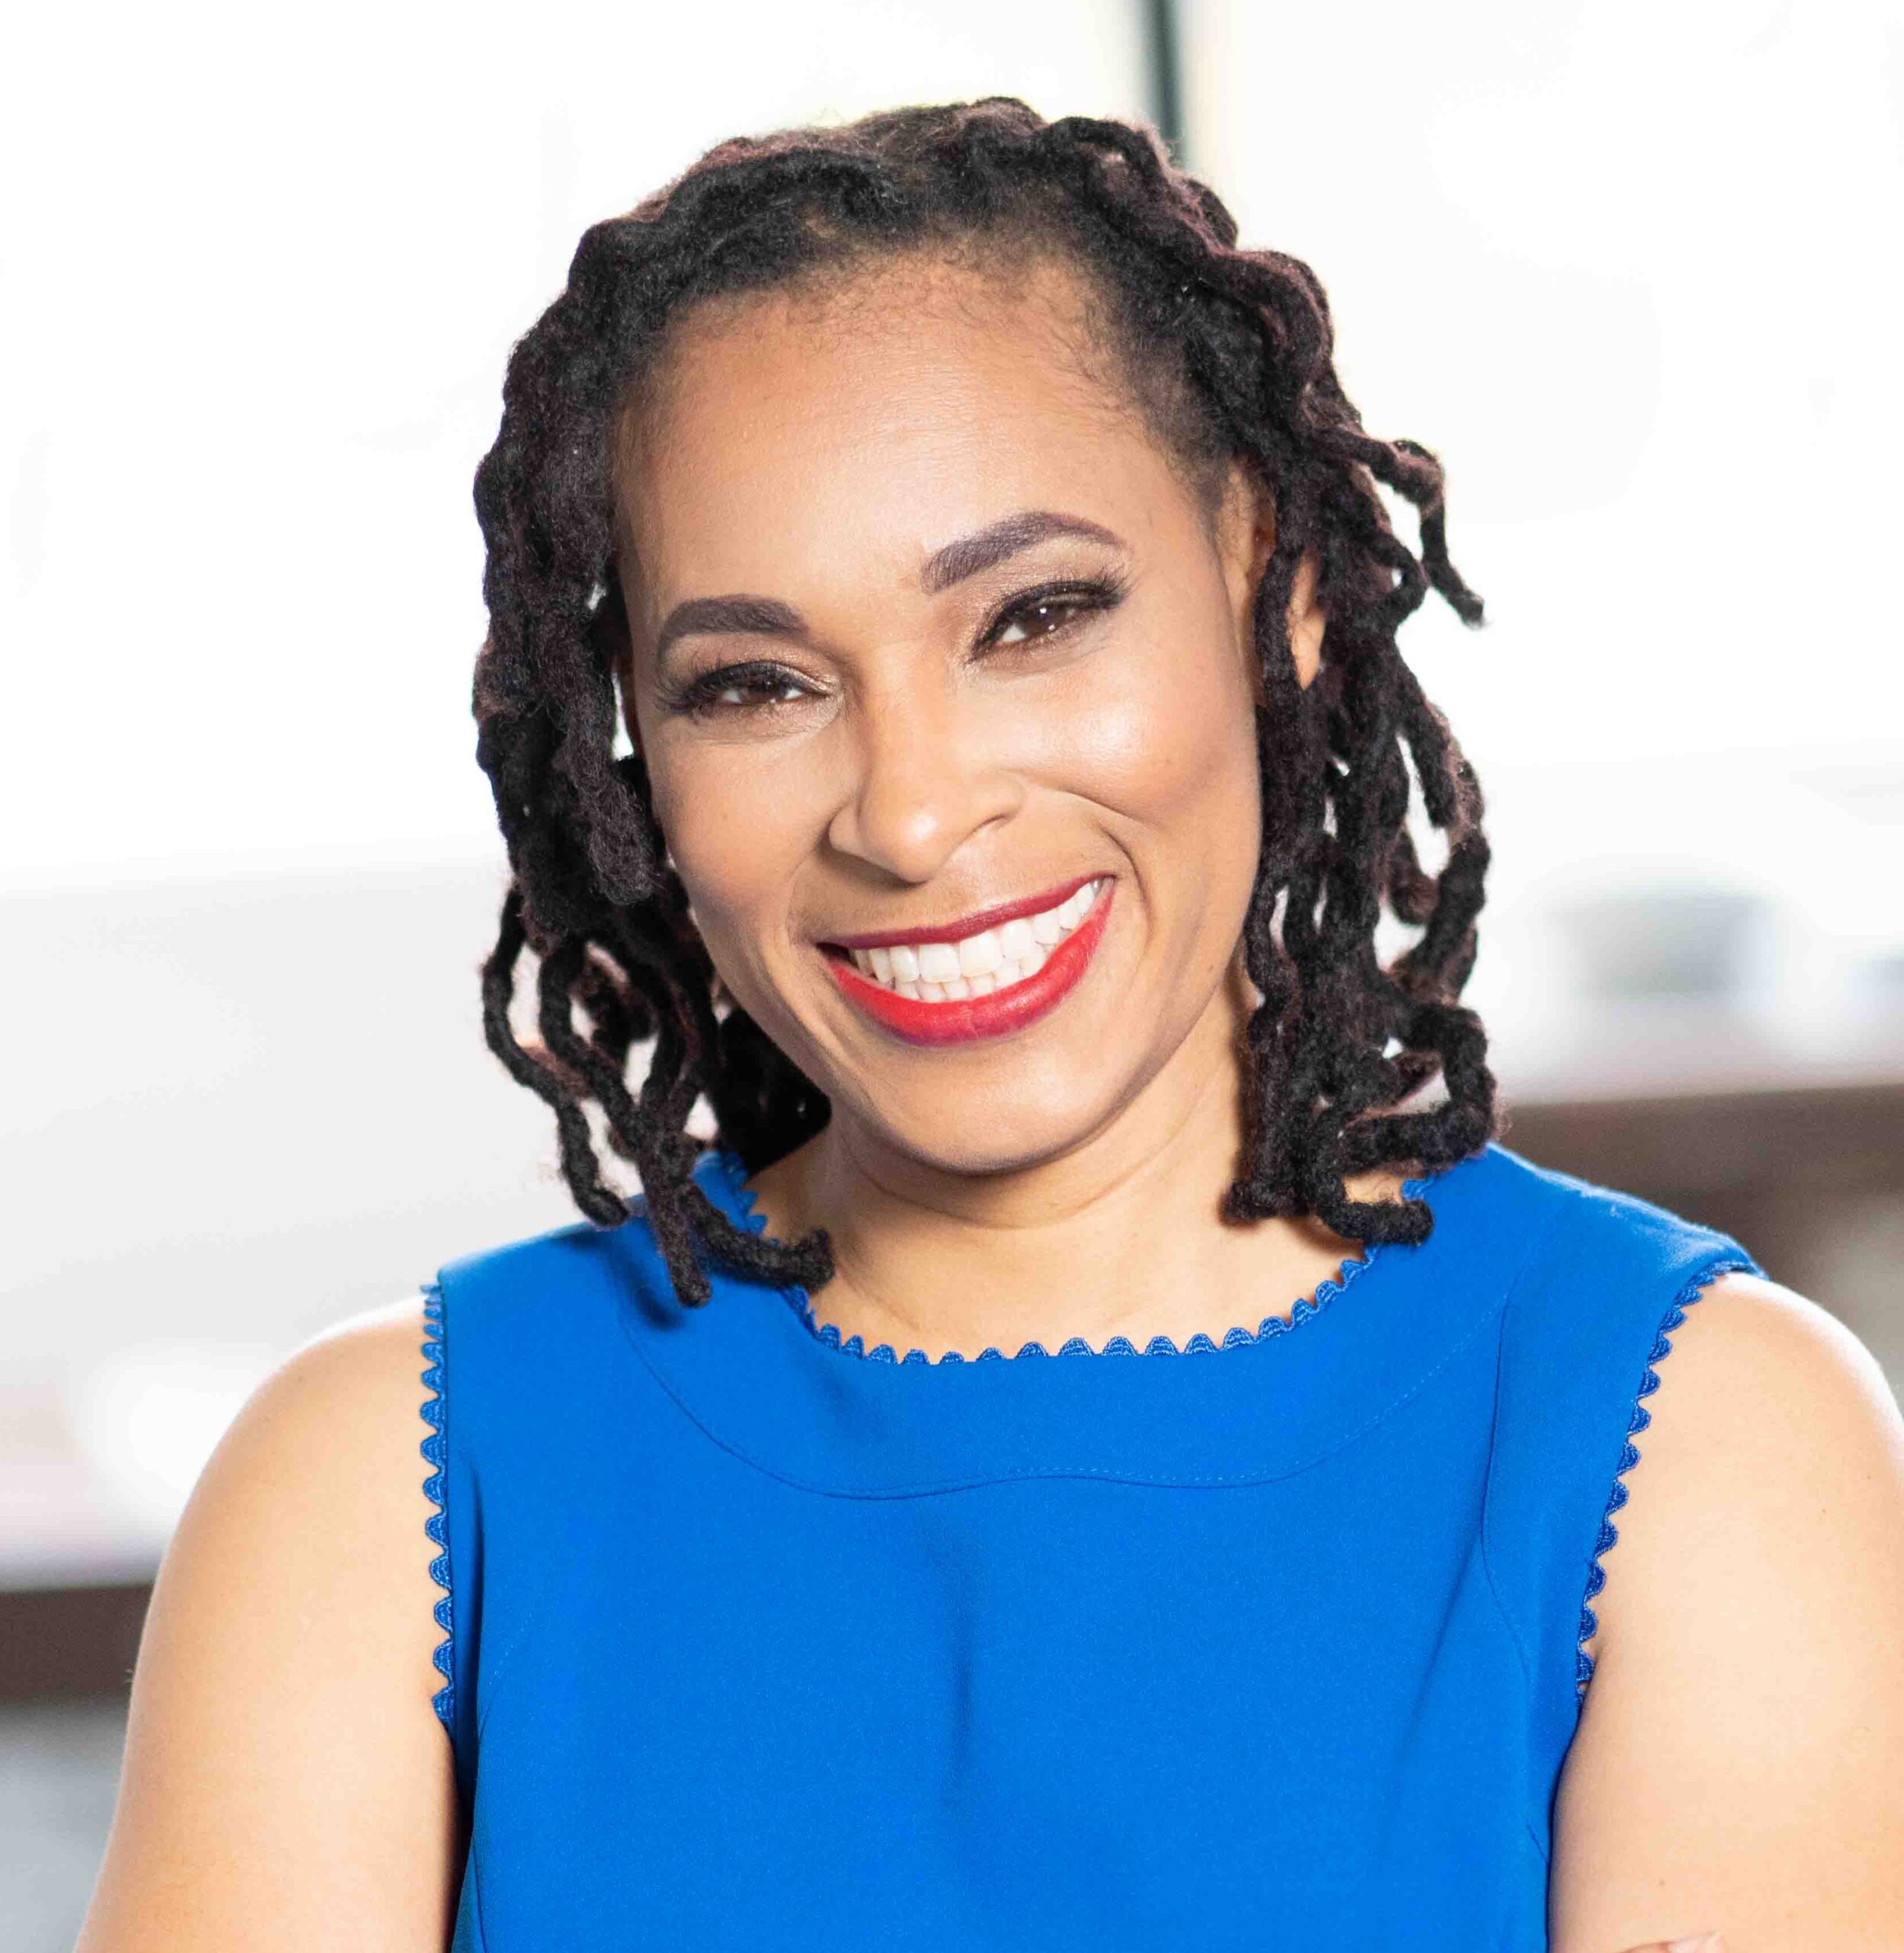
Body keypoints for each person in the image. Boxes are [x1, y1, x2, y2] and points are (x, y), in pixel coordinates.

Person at [77, 99, 1904, 1952]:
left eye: (1034, 618)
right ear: (635, 755)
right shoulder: (374, 1490)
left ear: (1266, 583)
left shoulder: (1695, 1435)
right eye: (757, 683)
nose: (914, 812)